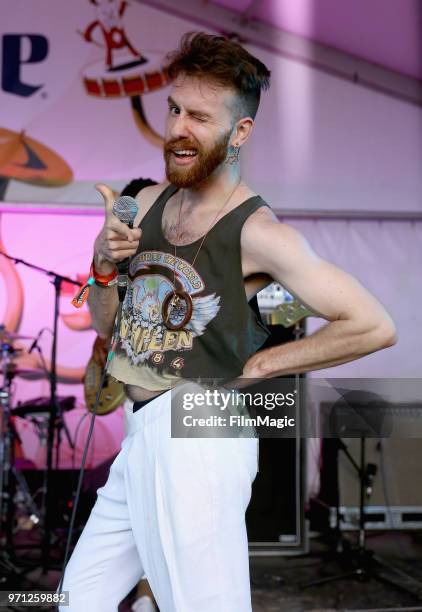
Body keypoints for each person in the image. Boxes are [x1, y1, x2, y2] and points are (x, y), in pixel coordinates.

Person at [60, 32, 396, 611]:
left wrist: (260, 364)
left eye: (198, 116)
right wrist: (102, 265)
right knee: (79, 602)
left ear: (240, 131)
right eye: (173, 110)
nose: (177, 129)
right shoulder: (142, 208)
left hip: (198, 436)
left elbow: (371, 323)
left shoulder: (259, 233)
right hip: (141, 434)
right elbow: (106, 328)